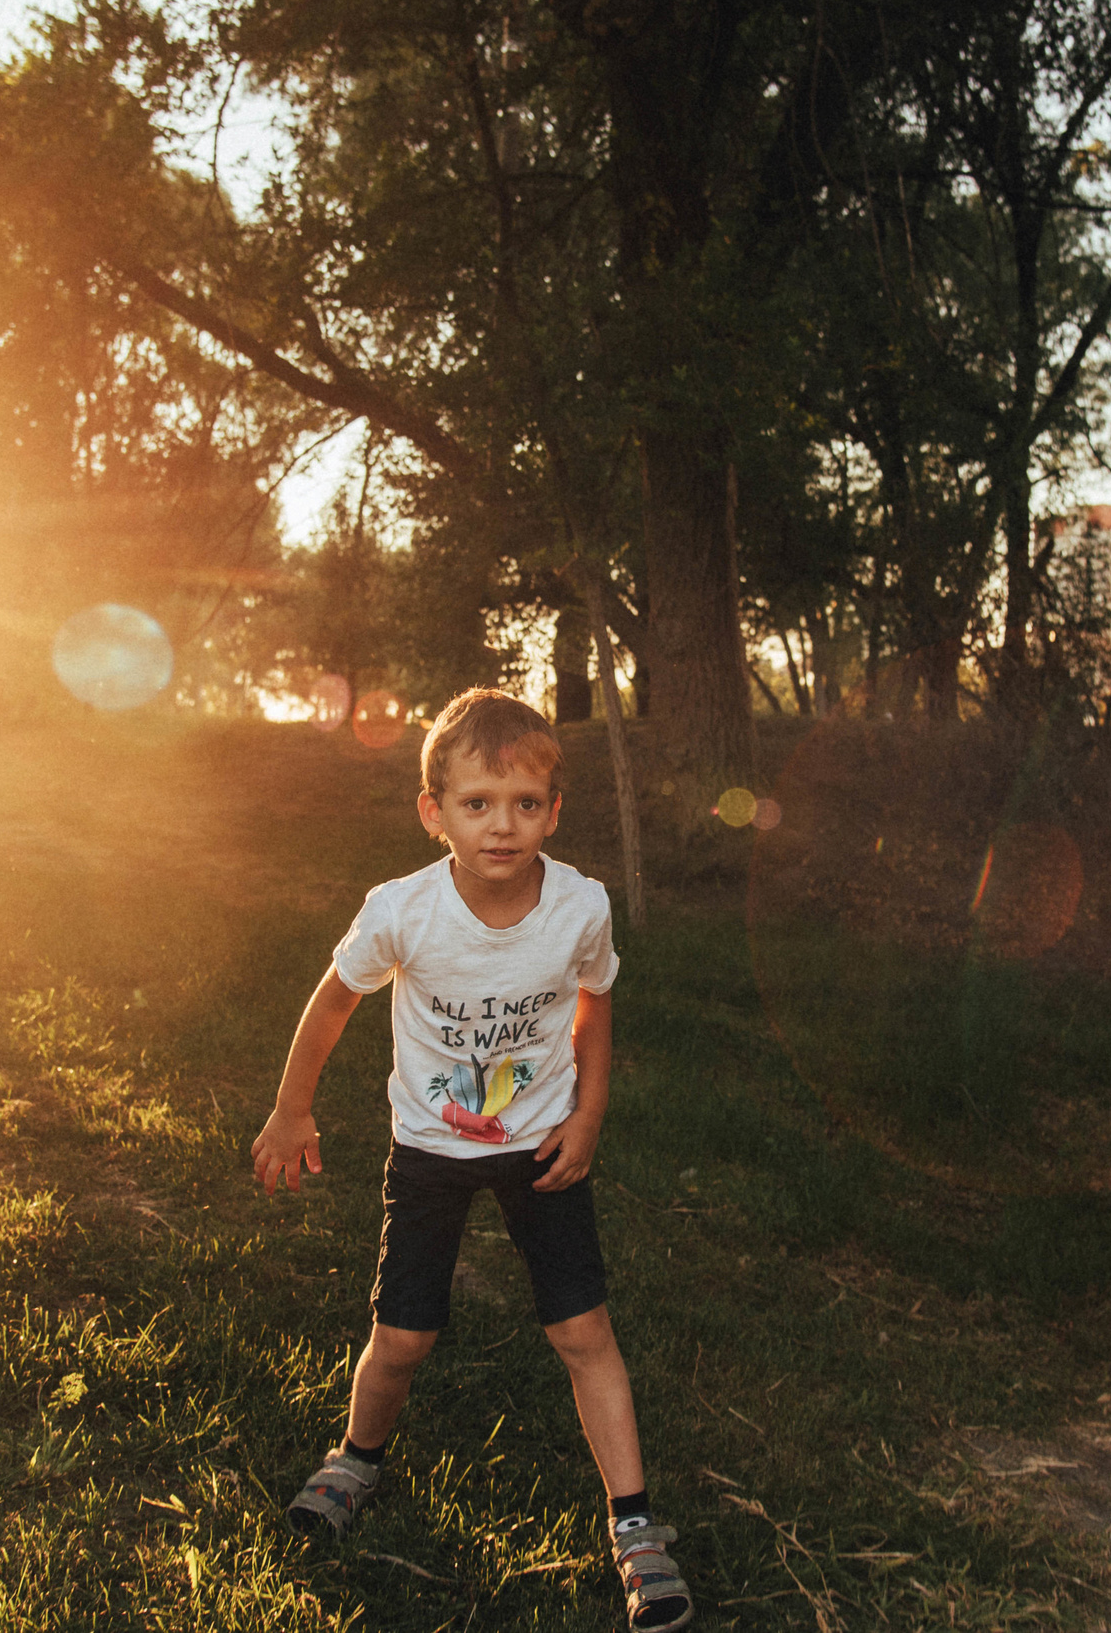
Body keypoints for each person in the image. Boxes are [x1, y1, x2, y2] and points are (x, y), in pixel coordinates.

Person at [250, 688, 691, 1632]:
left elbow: (595, 1005)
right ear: (435, 811)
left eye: (526, 803)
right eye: (478, 803)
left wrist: (589, 1115)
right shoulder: (403, 911)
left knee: (583, 1332)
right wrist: (293, 1109)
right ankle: (356, 1458)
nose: (503, 825)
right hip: (431, 1150)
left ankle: (637, 1525)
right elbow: (334, 1002)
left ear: (555, 811)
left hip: (540, 1147)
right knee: (403, 1337)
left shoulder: (579, 905)